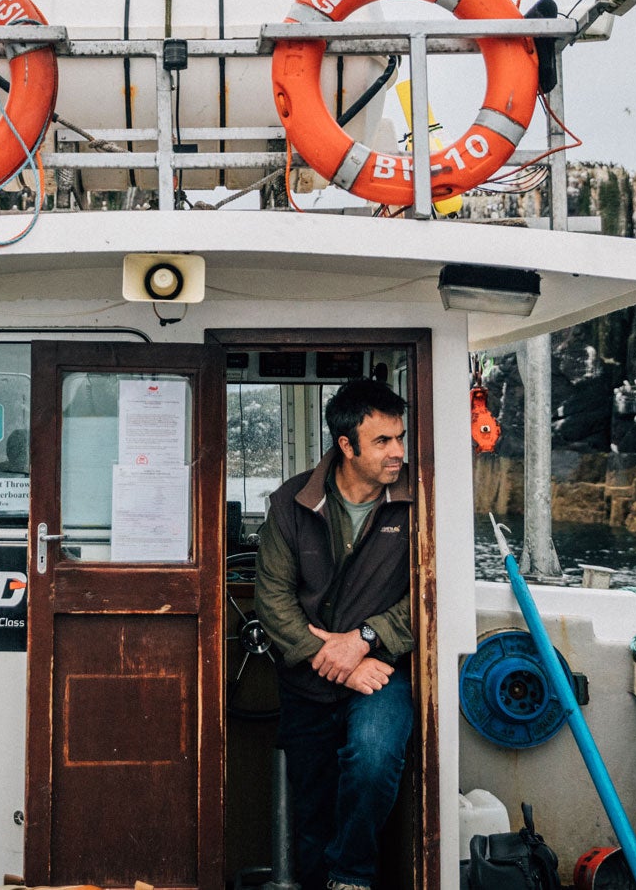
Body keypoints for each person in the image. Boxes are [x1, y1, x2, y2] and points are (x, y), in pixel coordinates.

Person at [253, 379, 416, 890]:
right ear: (346, 446)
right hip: (310, 678)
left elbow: (435, 591)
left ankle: (350, 876)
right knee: (312, 809)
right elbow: (272, 599)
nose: (398, 452)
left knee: (373, 762)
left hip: (382, 673)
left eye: (401, 438)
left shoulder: (419, 500)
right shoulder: (290, 502)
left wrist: (366, 638)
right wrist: (335, 653)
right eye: (383, 441)